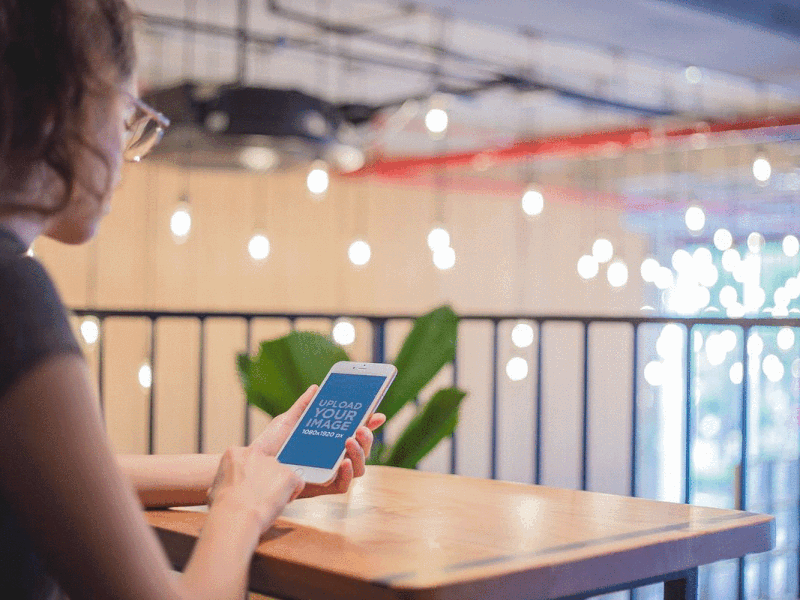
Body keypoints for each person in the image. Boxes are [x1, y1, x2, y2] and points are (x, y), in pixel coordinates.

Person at [0, 1, 385, 598]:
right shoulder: (13, 298)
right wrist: (243, 509)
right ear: (61, 107)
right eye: (128, 114)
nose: (129, 156)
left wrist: (251, 466)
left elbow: (59, 477)